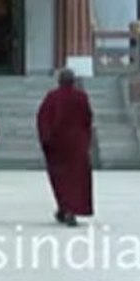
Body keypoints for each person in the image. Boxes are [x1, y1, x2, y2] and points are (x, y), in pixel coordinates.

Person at [37, 68, 94, 226]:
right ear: (73, 81)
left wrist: (46, 139)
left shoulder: (52, 97)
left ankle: (66, 207)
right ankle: (69, 209)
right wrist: (86, 139)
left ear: (59, 81)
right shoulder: (81, 97)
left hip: (58, 144)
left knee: (61, 178)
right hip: (77, 144)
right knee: (76, 179)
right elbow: (87, 119)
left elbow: (43, 119)